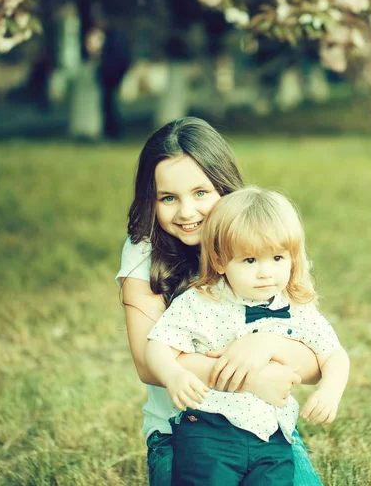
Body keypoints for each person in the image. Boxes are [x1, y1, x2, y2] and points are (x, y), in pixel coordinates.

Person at [116, 117, 326, 486]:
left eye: (201, 193)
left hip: (263, 430)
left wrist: (268, 342)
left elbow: (315, 362)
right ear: (152, 201)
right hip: (183, 429)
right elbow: (149, 365)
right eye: (168, 198)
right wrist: (253, 378)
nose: (186, 212)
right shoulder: (143, 252)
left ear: (225, 188)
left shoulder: (262, 247)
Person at [146, 186, 350, 485]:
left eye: (278, 258)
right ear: (219, 261)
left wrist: (330, 391)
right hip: (208, 430)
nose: (266, 272)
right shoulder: (201, 302)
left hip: (273, 436)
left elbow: (334, 354)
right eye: (250, 261)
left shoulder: (296, 308)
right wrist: (172, 375)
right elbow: (158, 345)